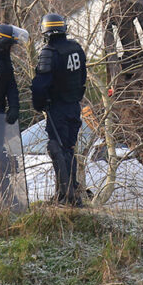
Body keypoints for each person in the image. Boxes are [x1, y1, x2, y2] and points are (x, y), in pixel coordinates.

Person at [31, 13, 87, 206]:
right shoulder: (76, 49)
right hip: (74, 106)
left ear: (45, 32)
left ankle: (68, 196)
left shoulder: (49, 52)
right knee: (68, 150)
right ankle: (66, 195)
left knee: (56, 148)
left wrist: (40, 104)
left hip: (58, 108)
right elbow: (82, 79)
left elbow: (40, 86)